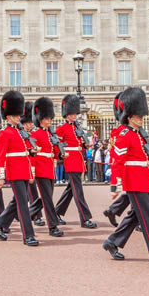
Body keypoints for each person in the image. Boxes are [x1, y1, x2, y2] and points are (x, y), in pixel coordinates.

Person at [102, 87, 149, 268]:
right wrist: (115, 187)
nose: (141, 118)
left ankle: (113, 242)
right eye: (138, 115)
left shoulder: (139, 135)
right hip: (134, 182)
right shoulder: (125, 135)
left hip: (143, 179)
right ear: (129, 116)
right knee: (148, 219)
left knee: (136, 215)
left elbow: (144, 156)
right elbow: (117, 162)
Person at [0, 90, 38, 246]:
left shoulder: (20, 132)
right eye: (16, 115)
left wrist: (31, 151)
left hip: (23, 170)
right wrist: (1, 176)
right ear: (8, 116)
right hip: (14, 171)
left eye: (19, 114)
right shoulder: (4, 133)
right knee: (23, 204)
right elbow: (1, 156)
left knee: (16, 202)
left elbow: (23, 152)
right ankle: (28, 235)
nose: (19, 117)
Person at [54, 94, 97, 228]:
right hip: (70, 160)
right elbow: (58, 145)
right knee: (78, 191)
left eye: (75, 113)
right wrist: (61, 155)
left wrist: (85, 145)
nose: (74, 115)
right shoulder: (62, 128)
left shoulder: (76, 127)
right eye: (72, 114)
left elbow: (80, 143)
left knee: (71, 190)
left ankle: (56, 212)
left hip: (78, 159)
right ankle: (84, 218)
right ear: (66, 114)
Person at [28, 97, 64, 237]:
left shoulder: (50, 134)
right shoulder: (35, 134)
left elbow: (54, 152)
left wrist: (60, 156)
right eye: (46, 118)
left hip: (50, 168)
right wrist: (33, 170)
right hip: (41, 168)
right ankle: (52, 226)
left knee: (45, 197)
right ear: (40, 118)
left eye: (50, 118)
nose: (49, 121)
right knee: (48, 198)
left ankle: (27, 214)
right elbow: (32, 154)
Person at [102, 91, 131, 228]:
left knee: (136, 195)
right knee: (137, 194)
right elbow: (117, 155)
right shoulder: (122, 131)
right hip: (127, 166)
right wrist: (115, 185)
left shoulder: (121, 130)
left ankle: (113, 211)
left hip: (131, 165)